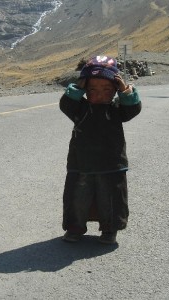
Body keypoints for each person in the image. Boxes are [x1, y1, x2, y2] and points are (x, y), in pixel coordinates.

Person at [59, 55, 142, 244]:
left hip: (112, 163)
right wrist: (77, 87)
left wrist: (125, 91)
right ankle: (75, 228)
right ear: (85, 90)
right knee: (78, 198)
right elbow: (66, 104)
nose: (99, 94)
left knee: (110, 199)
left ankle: (110, 230)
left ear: (114, 91)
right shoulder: (79, 108)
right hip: (81, 163)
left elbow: (132, 110)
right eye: (92, 89)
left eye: (107, 89)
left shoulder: (116, 109)